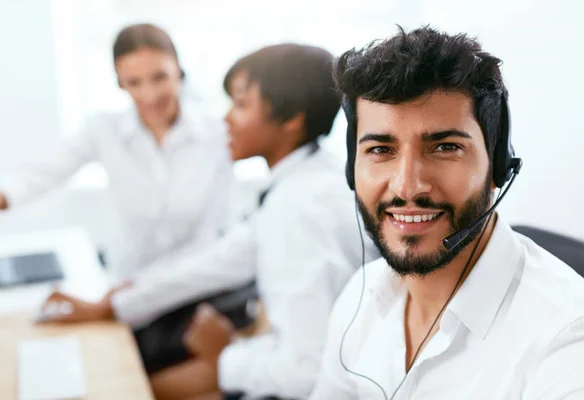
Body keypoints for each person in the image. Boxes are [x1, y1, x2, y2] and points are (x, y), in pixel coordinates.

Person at [310, 27, 584, 399]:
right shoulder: (362, 293)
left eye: (444, 147)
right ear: (350, 168)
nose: (407, 187)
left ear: (498, 167)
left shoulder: (565, 339)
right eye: (380, 150)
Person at [146, 43, 378, 400]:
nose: (226, 119)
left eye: (240, 105)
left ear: (292, 119)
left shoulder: (298, 209)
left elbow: (305, 371)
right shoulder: (312, 178)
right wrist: (118, 302)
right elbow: (222, 259)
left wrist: (226, 354)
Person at [0, 23, 233, 277]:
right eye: (134, 82)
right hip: (131, 282)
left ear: (179, 71)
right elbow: (43, 173)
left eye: (160, 77)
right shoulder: (104, 130)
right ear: (120, 84)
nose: (150, 94)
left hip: (201, 283)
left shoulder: (217, 132)